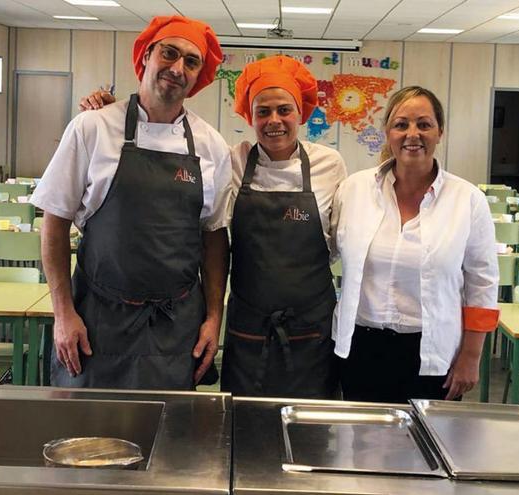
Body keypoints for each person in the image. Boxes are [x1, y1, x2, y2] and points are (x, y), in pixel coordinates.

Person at [80, 55, 347, 398]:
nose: (274, 121)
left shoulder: (330, 164)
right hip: (248, 326)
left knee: (311, 430)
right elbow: (210, 229)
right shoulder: (232, 159)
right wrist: (109, 112)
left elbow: (340, 242)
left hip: (313, 328)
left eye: (284, 110)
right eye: (262, 111)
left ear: (301, 113)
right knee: (244, 426)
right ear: (250, 116)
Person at [31, 15, 232, 390]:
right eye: (169, 53)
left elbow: (214, 237)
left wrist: (213, 316)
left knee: (170, 437)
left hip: (176, 328)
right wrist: (63, 313)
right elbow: (53, 222)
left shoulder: (211, 146)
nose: (177, 68)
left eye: (191, 61)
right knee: (88, 437)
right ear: (145, 57)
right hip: (95, 322)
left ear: (198, 76)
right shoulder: (92, 128)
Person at [329, 85, 499, 403]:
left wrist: (471, 357)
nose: (412, 134)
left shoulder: (467, 200)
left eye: (424, 124)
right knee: (361, 448)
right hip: (360, 349)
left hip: (433, 354)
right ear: (387, 132)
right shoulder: (353, 190)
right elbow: (324, 253)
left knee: (428, 448)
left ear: (440, 132)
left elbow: (483, 284)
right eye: (401, 124)